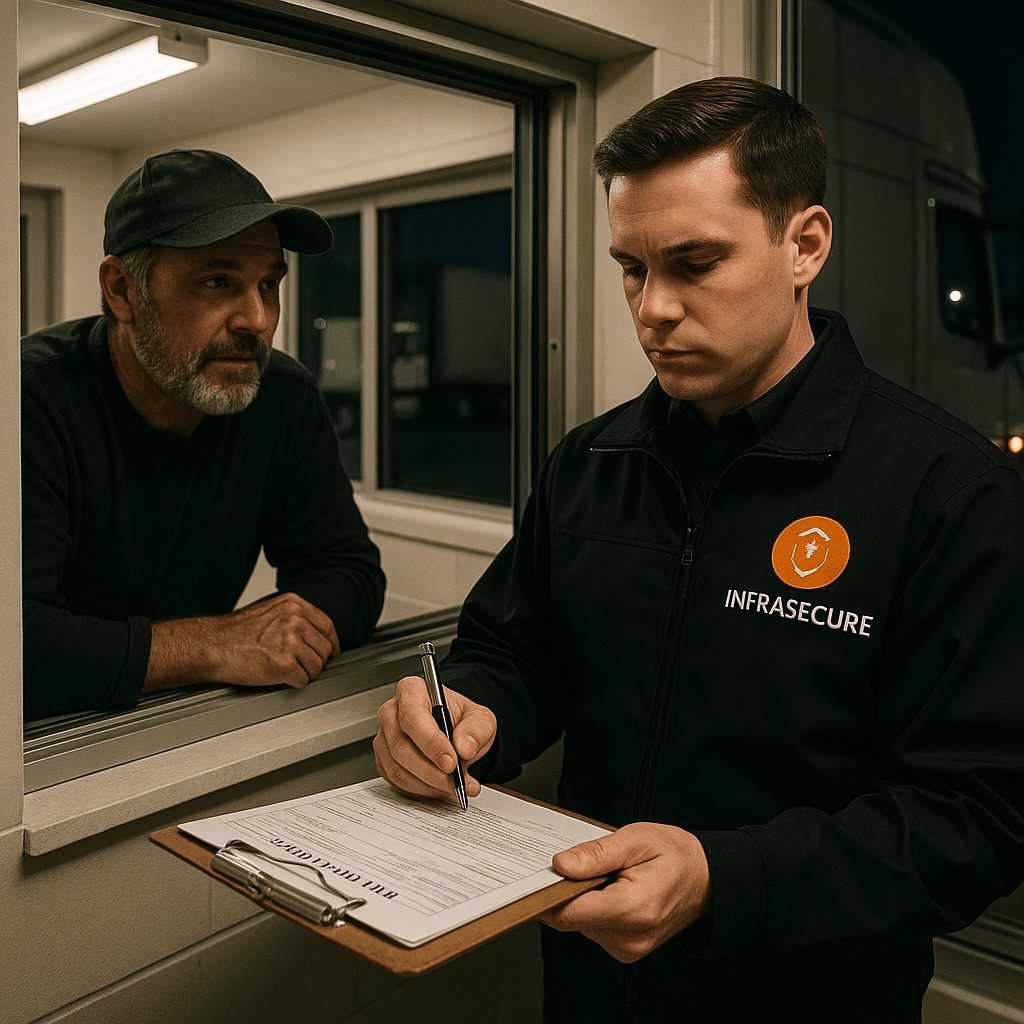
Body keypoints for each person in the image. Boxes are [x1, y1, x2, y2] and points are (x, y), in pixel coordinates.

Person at [373, 77, 1024, 1022]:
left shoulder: (945, 493)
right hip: (595, 980)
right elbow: (517, 653)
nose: (653, 309)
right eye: (632, 268)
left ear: (805, 245)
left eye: (694, 263)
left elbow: (977, 817)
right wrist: (466, 718)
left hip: (809, 992)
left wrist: (725, 878)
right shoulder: (592, 462)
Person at [22, 149, 386, 721]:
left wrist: (280, 635)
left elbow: (348, 571)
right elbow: (15, 645)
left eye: (269, 284)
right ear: (123, 291)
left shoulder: (282, 397)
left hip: (190, 726)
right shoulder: (27, 402)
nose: (258, 319)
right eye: (218, 281)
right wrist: (214, 644)